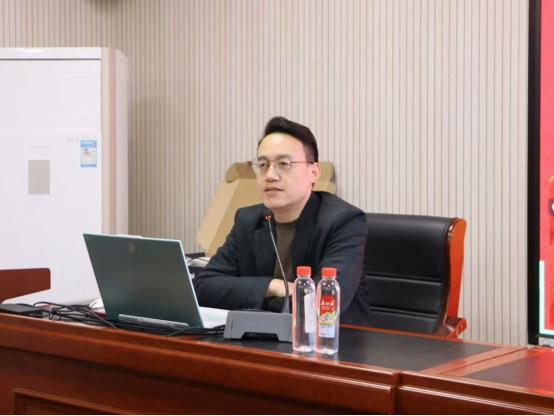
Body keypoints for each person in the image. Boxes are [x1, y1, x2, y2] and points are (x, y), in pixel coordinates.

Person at [193, 116, 371, 325]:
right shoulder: (248, 220)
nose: (270, 175)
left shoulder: (344, 221)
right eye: (262, 164)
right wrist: (274, 286)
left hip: (333, 340)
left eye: (283, 164)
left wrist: (251, 300)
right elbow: (203, 287)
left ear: (314, 172)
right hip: (260, 337)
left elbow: (323, 303)